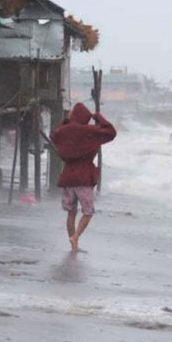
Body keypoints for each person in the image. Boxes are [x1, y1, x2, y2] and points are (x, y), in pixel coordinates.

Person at [50, 103, 116, 251]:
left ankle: (73, 244)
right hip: (84, 177)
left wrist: (66, 121)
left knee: (71, 212)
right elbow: (111, 132)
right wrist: (98, 117)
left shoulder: (64, 132)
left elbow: (54, 134)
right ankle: (76, 237)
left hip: (68, 177)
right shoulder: (89, 132)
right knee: (88, 212)